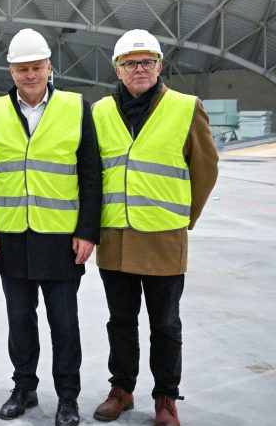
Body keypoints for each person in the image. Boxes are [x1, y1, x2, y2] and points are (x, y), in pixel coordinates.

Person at [0, 28, 101, 426]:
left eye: (37, 67)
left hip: (60, 237)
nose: (30, 75)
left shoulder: (76, 107)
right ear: (11, 71)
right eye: (22, 68)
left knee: (63, 320)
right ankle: (24, 387)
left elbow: (91, 174)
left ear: (49, 67)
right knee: (19, 318)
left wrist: (87, 231)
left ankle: (67, 396)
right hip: (11, 235)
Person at [90, 30, 218, 426]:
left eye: (147, 61)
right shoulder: (98, 112)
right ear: (117, 69)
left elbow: (205, 168)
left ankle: (166, 398)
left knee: (165, 324)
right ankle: (122, 388)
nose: (139, 68)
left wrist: (184, 218)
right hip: (115, 237)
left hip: (164, 237)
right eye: (130, 63)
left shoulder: (185, 107)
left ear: (160, 65)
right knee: (120, 320)